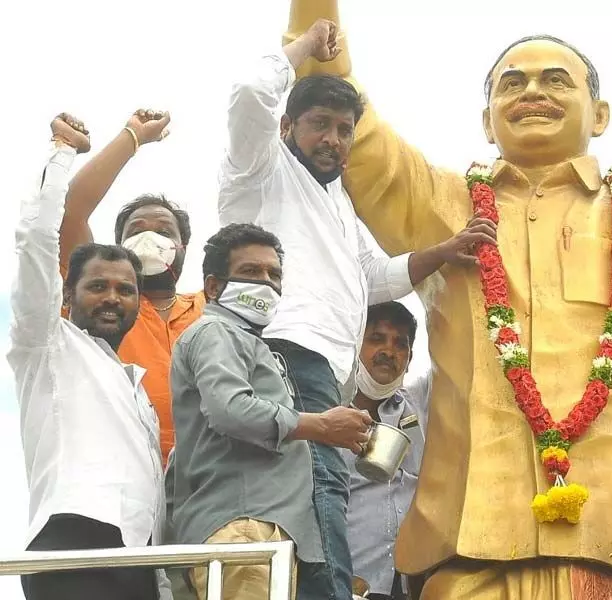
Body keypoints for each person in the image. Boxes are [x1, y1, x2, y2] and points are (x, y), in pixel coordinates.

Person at [283, 4, 612, 598]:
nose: (531, 92)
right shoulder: (446, 206)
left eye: (556, 80)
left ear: (602, 114)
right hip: (468, 543)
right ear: (487, 122)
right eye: (511, 84)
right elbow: (348, 125)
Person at [218, 21, 497, 600]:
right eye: (319, 125)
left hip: (326, 366)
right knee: (321, 483)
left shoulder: (338, 198)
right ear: (287, 126)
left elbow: (375, 277)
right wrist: (302, 51)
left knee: (319, 483)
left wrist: (445, 251)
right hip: (285, 349)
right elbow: (249, 91)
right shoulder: (262, 168)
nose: (334, 140)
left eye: (344, 130)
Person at [11, 114, 171, 600]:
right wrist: (62, 152)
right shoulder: (47, 343)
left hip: (140, 558)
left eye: (125, 290)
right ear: (68, 294)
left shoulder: (133, 384)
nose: (111, 297)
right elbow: (38, 240)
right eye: (97, 286)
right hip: (74, 545)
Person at [168, 223, 374, 600]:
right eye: (250, 272)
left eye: (273, 274)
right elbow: (229, 410)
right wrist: (320, 426)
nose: (265, 282)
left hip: (260, 536)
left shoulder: (249, 344)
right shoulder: (217, 332)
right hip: (244, 531)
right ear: (214, 287)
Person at [57, 107, 203, 465]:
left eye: (164, 231)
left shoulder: (211, 307)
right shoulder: (102, 308)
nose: (150, 237)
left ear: (183, 246)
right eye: (136, 231)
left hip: (208, 486)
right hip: (123, 476)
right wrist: (133, 136)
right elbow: (71, 211)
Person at [340, 302, 428, 600]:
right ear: (355, 343)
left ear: (409, 357)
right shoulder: (327, 412)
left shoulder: (417, 403)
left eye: (399, 344)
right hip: (347, 579)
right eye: (376, 339)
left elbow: (459, 351)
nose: (389, 351)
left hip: (411, 583)